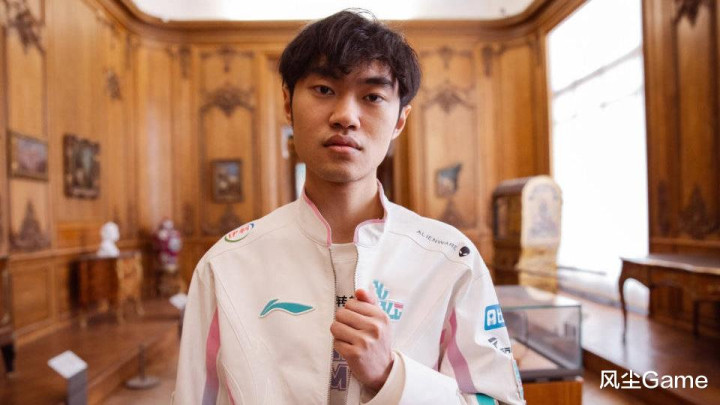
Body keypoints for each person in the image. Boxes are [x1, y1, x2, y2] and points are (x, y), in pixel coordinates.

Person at [174, 9, 525, 405]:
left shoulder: (451, 260)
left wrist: (392, 377)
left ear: (400, 120)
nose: (345, 116)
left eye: (372, 96)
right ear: (288, 104)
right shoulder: (226, 265)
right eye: (324, 89)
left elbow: (499, 399)